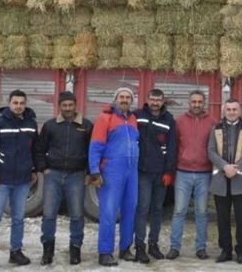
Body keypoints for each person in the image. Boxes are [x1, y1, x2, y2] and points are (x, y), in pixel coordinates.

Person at [34, 91, 93, 266]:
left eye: (71, 105)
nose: (68, 108)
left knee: (76, 215)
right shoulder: (50, 125)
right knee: (49, 214)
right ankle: (47, 251)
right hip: (53, 175)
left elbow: (93, 151)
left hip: (76, 176)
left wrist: (90, 172)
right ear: (59, 106)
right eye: (64, 105)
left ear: (76, 105)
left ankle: (75, 249)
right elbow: (39, 148)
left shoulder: (86, 125)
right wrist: (43, 168)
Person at [0, 89, 38, 269]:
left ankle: (16, 252)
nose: (19, 106)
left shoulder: (31, 123)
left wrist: (34, 169)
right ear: (9, 103)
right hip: (1, 179)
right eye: (15, 103)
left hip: (22, 180)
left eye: (22, 103)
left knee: (18, 218)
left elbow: (34, 149)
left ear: (25, 103)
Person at [88, 87, 140, 267]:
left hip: (131, 172)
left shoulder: (133, 119)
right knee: (109, 212)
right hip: (112, 171)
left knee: (130, 210)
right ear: (115, 99)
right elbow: (95, 146)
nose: (125, 100)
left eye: (128, 97)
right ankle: (105, 252)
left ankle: (125, 248)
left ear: (131, 101)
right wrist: (95, 171)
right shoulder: (105, 118)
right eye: (121, 97)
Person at [167, 90, 218, 260]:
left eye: (199, 102)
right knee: (179, 211)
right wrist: (171, 170)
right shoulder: (179, 122)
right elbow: (173, 146)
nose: (196, 104)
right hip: (183, 172)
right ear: (189, 103)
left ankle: (201, 248)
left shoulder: (212, 122)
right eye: (193, 101)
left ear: (204, 103)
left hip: (204, 173)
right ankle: (174, 247)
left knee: (202, 212)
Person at [207, 99, 242, 264]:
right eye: (228, 109)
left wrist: (236, 168)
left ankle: (241, 251)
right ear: (224, 111)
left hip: (241, 180)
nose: (231, 111)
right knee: (222, 218)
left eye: (234, 109)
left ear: (240, 111)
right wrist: (224, 167)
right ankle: (226, 250)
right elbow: (211, 151)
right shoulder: (216, 128)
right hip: (221, 180)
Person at [133, 89, 177, 263]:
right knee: (142, 209)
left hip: (161, 174)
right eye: (152, 99)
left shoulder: (169, 120)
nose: (155, 102)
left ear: (163, 101)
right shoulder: (138, 115)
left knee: (157, 210)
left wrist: (169, 172)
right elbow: (121, 118)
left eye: (158, 100)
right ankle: (139, 247)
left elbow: (172, 147)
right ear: (147, 99)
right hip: (143, 172)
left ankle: (154, 244)